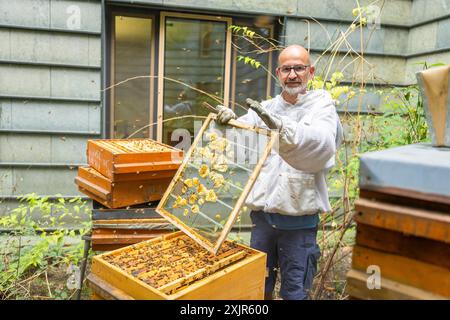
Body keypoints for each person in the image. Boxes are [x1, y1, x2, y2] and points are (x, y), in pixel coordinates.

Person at [216, 45, 343, 300]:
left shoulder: (322, 107)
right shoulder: (265, 107)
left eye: (299, 68)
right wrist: (229, 123)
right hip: (262, 221)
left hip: (299, 225)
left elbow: (322, 143)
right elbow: (242, 144)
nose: (293, 75)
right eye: (287, 69)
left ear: (311, 71)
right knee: (257, 290)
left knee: (294, 293)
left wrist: (283, 128)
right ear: (278, 73)